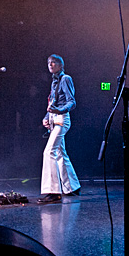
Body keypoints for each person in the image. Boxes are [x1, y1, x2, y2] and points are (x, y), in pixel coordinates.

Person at [38, 54, 81, 203]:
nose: (50, 64)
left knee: (49, 152)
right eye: (49, 62)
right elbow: (53, 102)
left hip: (62, 120)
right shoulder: (54, 82)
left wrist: (59, 111)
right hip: (54, 119)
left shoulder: (65, 79)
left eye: (54, 62)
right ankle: (72, 187)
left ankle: (53, 191)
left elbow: (71, 102)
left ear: (61, 65)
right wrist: (46, 117)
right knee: (60, 152)